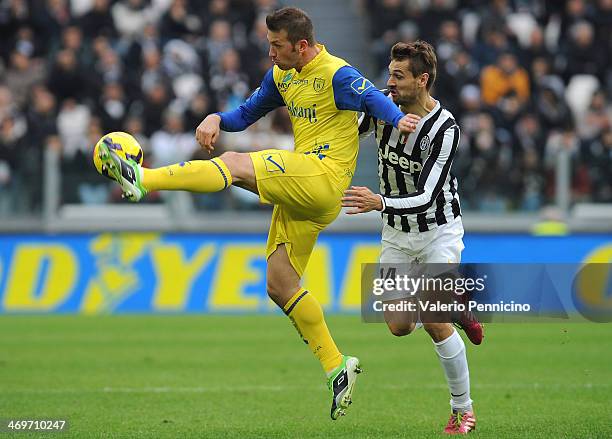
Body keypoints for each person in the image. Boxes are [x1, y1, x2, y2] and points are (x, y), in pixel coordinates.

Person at [95, 7, 417, 420]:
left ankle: (144, 179)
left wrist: (398, 118)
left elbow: (373, 97)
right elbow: (246, 114)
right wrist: (215, 116)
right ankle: (337, 366)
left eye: (277, 45)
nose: (269, 53)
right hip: (304, 189)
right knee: (280, 284)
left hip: (323, 177)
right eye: (268, 44)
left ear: (301, 46)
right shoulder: (282, 75)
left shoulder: (335, 73)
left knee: (235, 164)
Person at [341, 41, 480, 434]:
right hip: (397, 235)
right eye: (389, 73)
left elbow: (426, 198)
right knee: (399, 325)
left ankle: (462, 410)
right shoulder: (383, 105)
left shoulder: (446, 130)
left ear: (422, 80)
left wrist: (378, 202)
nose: (390, 82)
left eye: (398, 76)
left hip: (438, 229)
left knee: (433, 319)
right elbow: (350, 135)